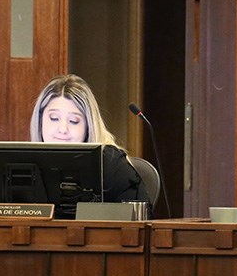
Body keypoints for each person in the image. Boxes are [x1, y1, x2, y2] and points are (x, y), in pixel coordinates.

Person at [30, 74, 151, 215]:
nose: (63, 129)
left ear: (88, 125)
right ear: (40, 121)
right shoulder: (25, 162)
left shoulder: (111, 162)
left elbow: (138, 222)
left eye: (74, 121)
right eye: (54, 118)